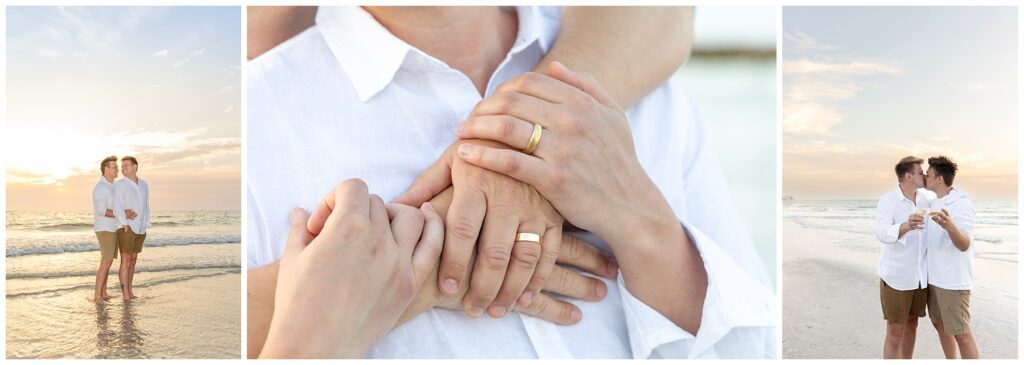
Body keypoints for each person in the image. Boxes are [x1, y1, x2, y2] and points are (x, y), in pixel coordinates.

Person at [248, 6, 773, 358]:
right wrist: (443, 246)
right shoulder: (258, 124)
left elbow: (758, 351)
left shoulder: (641, 87)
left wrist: (645, 227)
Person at [875, 156, 934, 359]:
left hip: (919, 277)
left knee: (912, 323)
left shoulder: (927, 200)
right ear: (908, 176)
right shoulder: (888, 200)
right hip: (896, 277)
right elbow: (882, 233)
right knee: (895, 332)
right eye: (920, 172)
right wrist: (906, 226)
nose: (924, 175)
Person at [923, 156, 979, 359]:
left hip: (953, 282)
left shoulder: (962, 204)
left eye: (928, 174)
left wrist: (949, 226)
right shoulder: (932, 202)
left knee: (961, 333)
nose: (924, 177)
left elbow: (964, 244)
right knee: (941, 327)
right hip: (934, 279)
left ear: (939, 178)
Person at [113, 156, 150, 301]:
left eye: (126, 165)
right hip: (126, 227)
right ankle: (125, 295)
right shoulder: (119, 184)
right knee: (126, 260)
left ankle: (130, 291)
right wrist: (124, 222)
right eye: (121, 166)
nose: (122, 168)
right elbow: (117, 205)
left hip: (140, 228)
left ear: (135, 167)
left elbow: (146, 205)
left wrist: (146, 223)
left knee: (133, 260)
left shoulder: (144, 185)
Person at [91, 156, 121, 303]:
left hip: (112, 228)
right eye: (115, 167)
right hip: (105, 229)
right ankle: (97, 296)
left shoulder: (112, 185)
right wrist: (122, 214)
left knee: (108, 262)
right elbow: (102, 211)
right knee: (106, 261)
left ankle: (103, 293)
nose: (117, 169)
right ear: (106, 169)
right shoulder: (101, 188)